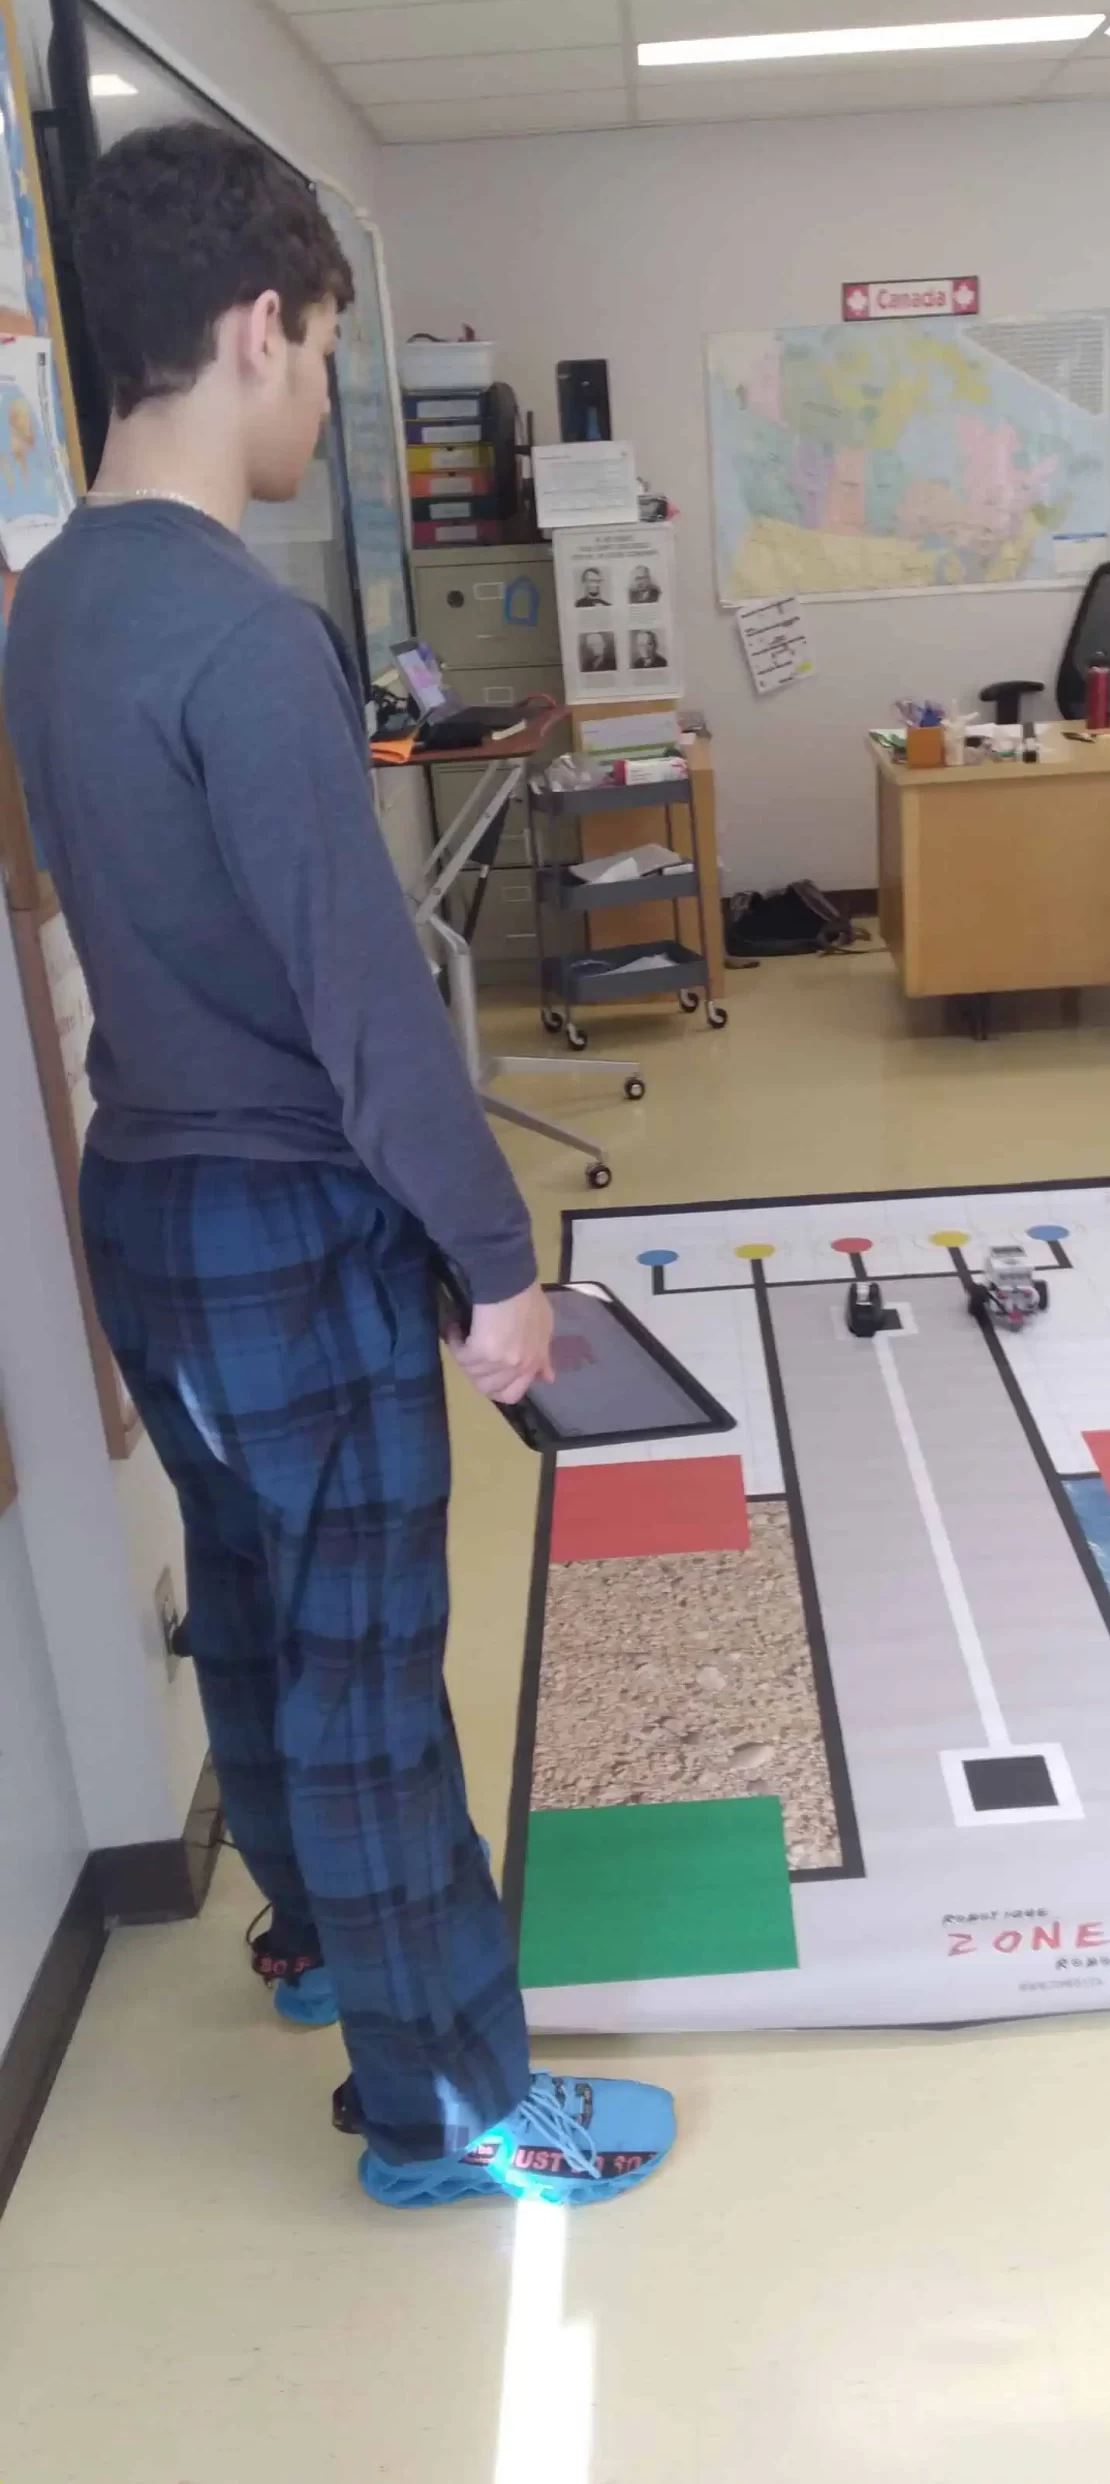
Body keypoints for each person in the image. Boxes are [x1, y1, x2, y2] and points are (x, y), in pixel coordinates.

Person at [5, 123, 674, 2213]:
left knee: (262, 1619)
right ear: (249, 326)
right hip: (295, 1219)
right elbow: (368, 1004)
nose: (316, 394)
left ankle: (306, 1936)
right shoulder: (240, 629)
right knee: (375, 1674)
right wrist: (498, 1268)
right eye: (312, 348)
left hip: (152, 1208)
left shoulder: (47, 606)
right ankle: (448, 2103)